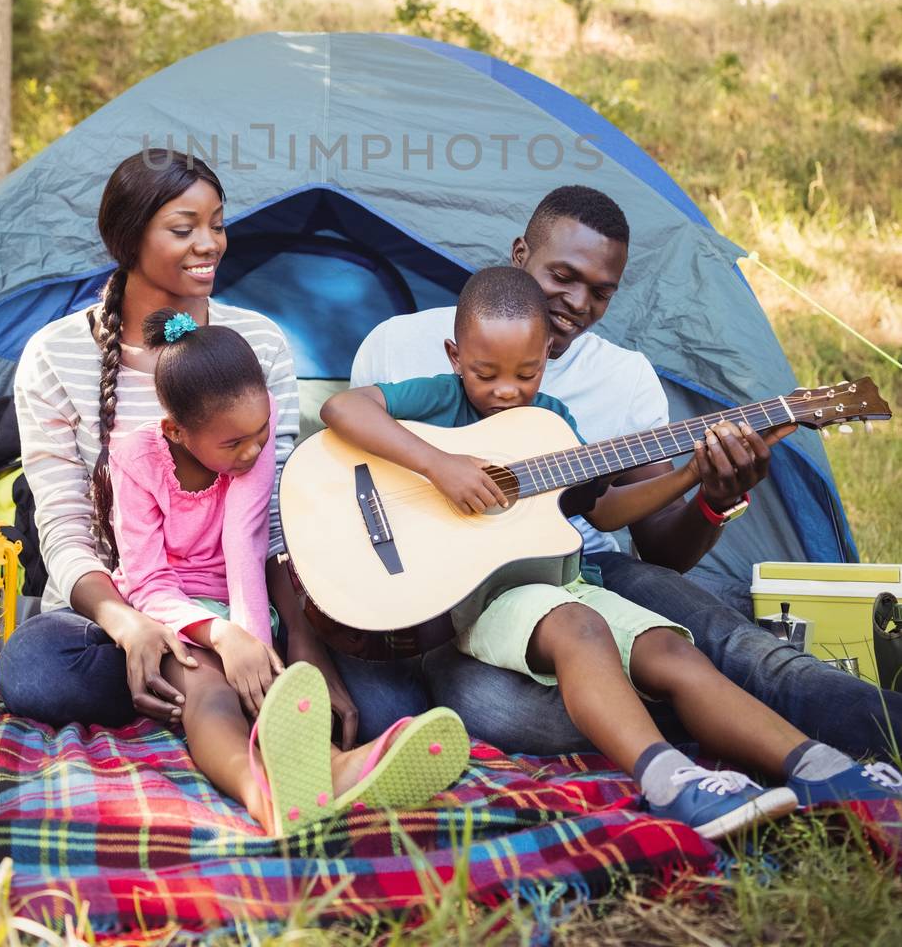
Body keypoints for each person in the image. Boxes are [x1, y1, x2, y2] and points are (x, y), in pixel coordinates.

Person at [322, 267, 902, 833]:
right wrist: (438, 465)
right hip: (482, 597)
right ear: (455, 358)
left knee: (673, 653)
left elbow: (603, 510)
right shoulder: (438, 399)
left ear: (547, 357)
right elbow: (342, 410)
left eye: (526, 373)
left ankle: (823, 769)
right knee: (579, 627)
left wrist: (691, 476)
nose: (506, 391)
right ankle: (671, 781)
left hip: (563, 582)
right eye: (485, 372)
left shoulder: (551, 423)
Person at [0, 151, 358, 742]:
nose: (210, 244)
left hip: (245, 604)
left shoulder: (259, 342)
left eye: (217, 223)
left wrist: (301, 638)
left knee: (382, 689)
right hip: (114, 616)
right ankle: (221, 694)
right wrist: (128, 625)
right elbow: (64, 530)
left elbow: (270, 519)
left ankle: (217, 692)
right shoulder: (55, 354)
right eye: (183, 228)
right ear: (128, 238)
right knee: (35, 669)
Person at [99, 306, 466, 834]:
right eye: (233, 444)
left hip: (243, 596)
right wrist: (224, 638)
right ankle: (263, 796)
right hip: (172, 612)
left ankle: (334, 769)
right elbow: (149, 581)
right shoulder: (135, 459)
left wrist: (258, 650)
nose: (253, 449)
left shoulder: (255, 426)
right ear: (176, 432)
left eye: (260, 432)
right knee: (208, 692)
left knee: (284, 687)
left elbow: (246, 542)